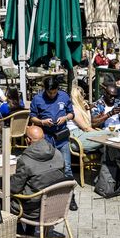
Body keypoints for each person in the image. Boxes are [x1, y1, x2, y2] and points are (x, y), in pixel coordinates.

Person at [29, 76, 77, 211]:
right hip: (46, 138)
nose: (52, 95)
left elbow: (71, 114)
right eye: (50, 92)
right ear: (45, 89)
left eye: (54, 92)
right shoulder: (37, 99)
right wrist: (42, 122)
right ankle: (49, 197)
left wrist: (65, 118)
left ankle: (71, 197)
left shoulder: (64, 96)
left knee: (67, 168)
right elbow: (32, 117)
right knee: (48, 168)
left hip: (62, 137)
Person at [9, 126, 68, 226]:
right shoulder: (58, 153)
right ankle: (30, 232)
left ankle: (18, 233)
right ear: (43, 137)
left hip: (34, 210)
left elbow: (14, 188)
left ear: (28, 140)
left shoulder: (25, 160)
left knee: (3, 199)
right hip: (56, 206)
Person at [67, 85, 111, 151]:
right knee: (110, 134)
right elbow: (86, 128)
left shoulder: (76, 108)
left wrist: (87, 110)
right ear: (80, 97)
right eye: (84, 95)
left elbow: (88, 124)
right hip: (76, 139)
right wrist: (99, 134)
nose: (84, 98)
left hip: (80, 136)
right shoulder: (74, 109)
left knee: (109, 139)